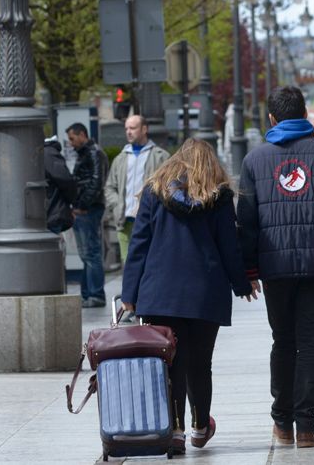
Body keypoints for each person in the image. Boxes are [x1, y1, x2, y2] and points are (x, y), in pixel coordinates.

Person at [237, 86, 314, 449]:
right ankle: (306, 427)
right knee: (310, 343)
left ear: (272, 119)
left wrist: (248, 272)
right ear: (306, 114)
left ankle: (282, 422)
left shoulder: (254, 161)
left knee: (283, 341)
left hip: (274, 268)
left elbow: (246, 222)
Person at [120, 139, 256, 455]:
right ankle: (199, 427)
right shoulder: (219, 197)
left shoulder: (155, 192)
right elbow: (228, 246)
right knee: (200, 363)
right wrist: (242, 284)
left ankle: (176, 431)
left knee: (171, 364)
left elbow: (139, 244)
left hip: (160, 293)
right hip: (204, 293)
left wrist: (130, 293)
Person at [105, 115, 170, 270]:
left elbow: (169, 188)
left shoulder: (161, 156)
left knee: (150, 264)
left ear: (144, 129)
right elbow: (109, 187)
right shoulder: (120, 159)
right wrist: (117, 204)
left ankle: (146, 294)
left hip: (149, 220)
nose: (128, 132)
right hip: (124, 221)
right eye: (126, 128)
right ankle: (130, 295)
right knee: (128, 265)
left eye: (132, 128)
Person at [67, 122, 107, 308]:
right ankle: (88, 293)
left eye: (72, 138)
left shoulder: (93, 153)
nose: (71, 143)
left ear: (82, 134)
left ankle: (95, 294)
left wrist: (82, 205)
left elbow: (96, 182)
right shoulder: (88, 153)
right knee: (87, 254)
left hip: (88, 209)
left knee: (90, 253)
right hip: (85, 208)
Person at [43, 135, 77, 235]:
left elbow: (66, 180)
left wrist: (72, 202)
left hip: (50, 214)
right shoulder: (47, 153)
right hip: (49, 214)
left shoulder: (47, 153)